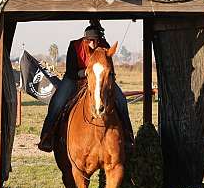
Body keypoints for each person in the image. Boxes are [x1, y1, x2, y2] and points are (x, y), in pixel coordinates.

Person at [37, 21, 134, 152]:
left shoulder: (105, 46)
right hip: (74, 79)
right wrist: (89, 72)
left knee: (121, 100)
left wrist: (99, 74)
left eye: (95, 40)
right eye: (90, 40)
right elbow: (71, 71)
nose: (93, 43)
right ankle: (46, 136)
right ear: (84, 39)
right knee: (57, 102)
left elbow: (109, 68)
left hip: (100, 79)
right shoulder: (74, 46)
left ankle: (128, 137)